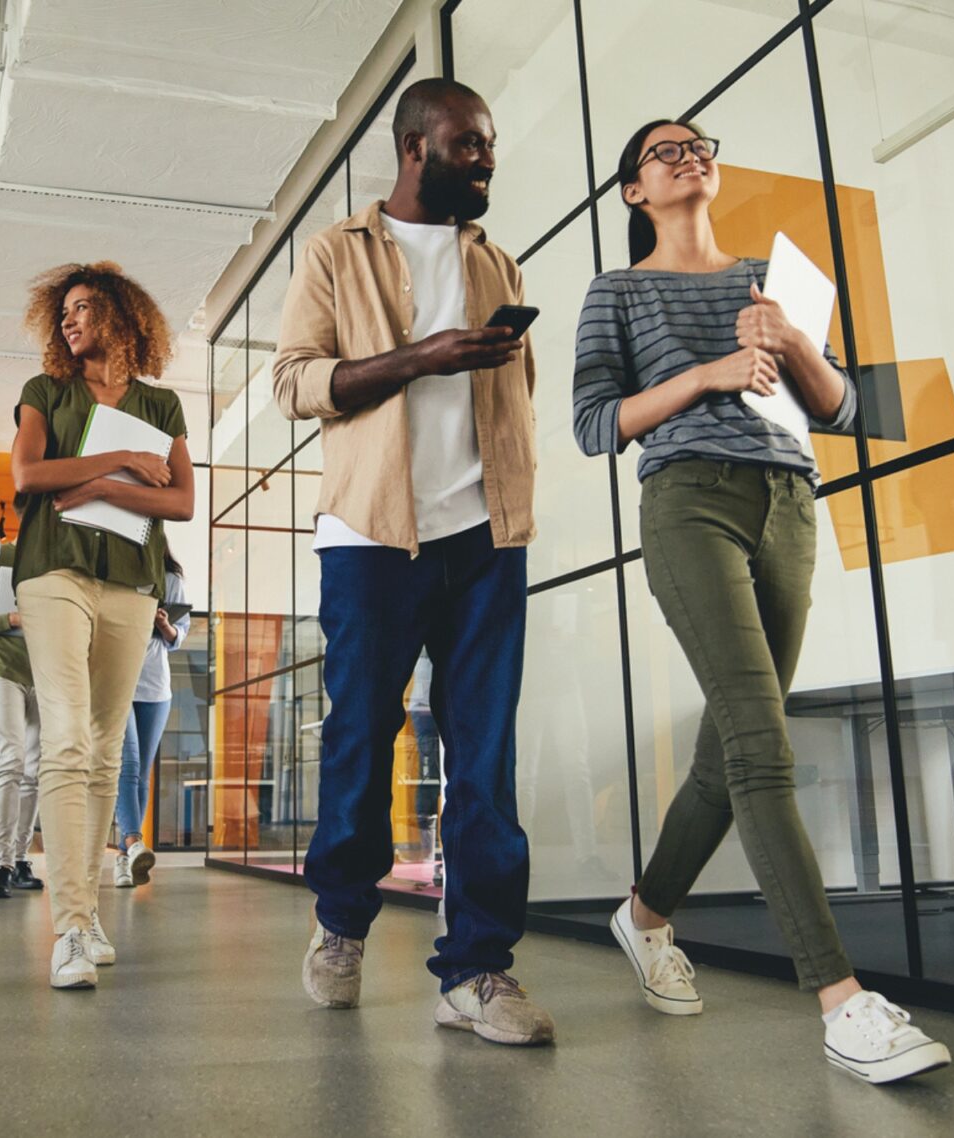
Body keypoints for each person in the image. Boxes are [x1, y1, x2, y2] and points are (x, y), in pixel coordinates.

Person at [572, 119, 949, 1084]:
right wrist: (706, 374)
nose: (688, 154)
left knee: (727, 753)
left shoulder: (773, 280)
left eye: (700, 144)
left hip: (788, 502)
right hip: (689, 500)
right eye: (665, 151)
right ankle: (842, 1001)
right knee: (761, 746)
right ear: (633, 192)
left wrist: (791, 341)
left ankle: (646, 914)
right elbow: (591, 424)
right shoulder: (617, 291)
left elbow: (846, 410)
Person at [272, 77, 549, 1046]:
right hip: (369, 536)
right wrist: (418, 357)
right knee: (361, 737)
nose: (485, 158)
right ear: (413, 147)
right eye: (468, 143)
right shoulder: (333, 253)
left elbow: (517, 396)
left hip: (483, 535)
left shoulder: (499, 263)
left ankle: (476, 967)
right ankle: (341, 923)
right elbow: (296, 382)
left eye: (490, 144)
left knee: (484, 753)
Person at [8, 261, 193, 990]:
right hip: (53, 572)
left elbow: (179, 503)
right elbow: (27, 478)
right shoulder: (44, 392)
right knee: (67, 738)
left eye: (83, 308)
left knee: (107, 751)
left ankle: (87, 917)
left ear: (121, 317)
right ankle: (71, 927)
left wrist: (81, 483)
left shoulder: (163, 404)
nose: (69, 321)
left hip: (132, 583)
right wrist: (119, 461)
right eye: (64, 312)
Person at [111, 552, 189, 888]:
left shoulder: (171, 580)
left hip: (156, 688)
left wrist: (164, 626)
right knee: (126, 765)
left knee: (141, 773)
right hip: (118, 682)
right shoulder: (116, 573)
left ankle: (123, 859)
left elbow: (178, 635)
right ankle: (132, 841)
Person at [0, 537, 46, 899]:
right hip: (4, 671)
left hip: (46, 675)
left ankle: (20, 859)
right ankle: (1, 864)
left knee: (34, 770)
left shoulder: (54, 556)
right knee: (11, 760)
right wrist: (11, 618)